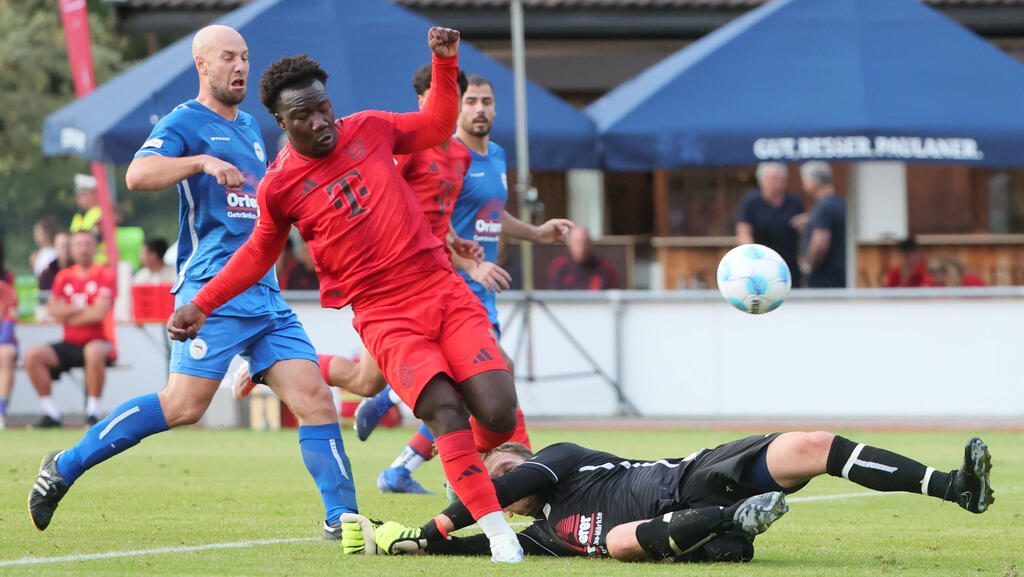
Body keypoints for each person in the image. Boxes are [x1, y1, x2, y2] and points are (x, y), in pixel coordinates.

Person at [166, 28, 526, 563]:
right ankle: (499, 535)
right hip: (383, 315)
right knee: (442, 411)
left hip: (441, 288)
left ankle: (470, 486)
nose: (319, 123)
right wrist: (202, 302)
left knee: (497, 412)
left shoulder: (370, 129)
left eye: (324, 109)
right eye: (303, 117)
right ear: (282, 124)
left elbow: (433, 124)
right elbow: (257, 256)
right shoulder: (280, 184)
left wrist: (445, 63)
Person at [28, 25, 362, 545]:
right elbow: (138, 175)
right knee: (183, 405)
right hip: (212, 291)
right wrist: (203, 161)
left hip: (265, 295)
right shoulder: (186, 121)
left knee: (315, 398)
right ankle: (64, 465)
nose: (241, 67)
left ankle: (343, 522)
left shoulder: (252, 125)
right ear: (201, 64)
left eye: (246, 57)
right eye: (228, 57)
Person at [352, 71, 574, 493]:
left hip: (483, 284)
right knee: (494, 375)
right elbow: (427, 223)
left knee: (467, 390)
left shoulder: (495, 157)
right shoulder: (443, 155)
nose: (479, 109)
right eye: (470, 101)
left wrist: (538, 233)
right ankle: (498, 469)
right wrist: (468, 266)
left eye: (486, 102)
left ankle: (401, 455)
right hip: (450, 283)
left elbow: (493, 216)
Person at [350, 432, 994, 562]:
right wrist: (404, 542)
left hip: (685, 478)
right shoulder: (535, 538)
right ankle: (731, 529)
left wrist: (427, 528)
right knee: (620, 545)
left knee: (813, 444)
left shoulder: (557, 463)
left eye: (505, 463)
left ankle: (952, 487)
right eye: (495, 464)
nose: (505, 468)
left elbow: (495, 492)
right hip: (678, 531)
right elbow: (470, 543)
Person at [23, 230, 116, 428]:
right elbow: (53, 308)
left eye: (87, 244)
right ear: (71, 249)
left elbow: (99, 313)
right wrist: (84, 309)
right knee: (33, 355)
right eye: (78, 244)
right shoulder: (63, 276)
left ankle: (92, 411)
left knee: (94, 351)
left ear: (94, 247)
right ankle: (51, 413)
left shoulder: (104, 274)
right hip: (69, 342)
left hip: (98, 340)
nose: (83, 249)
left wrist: (68, 313)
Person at [735, 162, 805, 288]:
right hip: (761, 267)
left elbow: (804, 230)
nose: (776, 183)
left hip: (788, 266)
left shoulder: (794, 202)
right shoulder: (751, 202)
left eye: (780, 179)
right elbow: (744, 232)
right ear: (761, 181)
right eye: (772, 179)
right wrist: (753, 257)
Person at [800, 161, 846, 288]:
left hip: (825, 279)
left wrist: (808, 266)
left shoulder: (823, 207)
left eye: (805, 180)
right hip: (842, 276)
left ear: (814, 182)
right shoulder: (840, 202)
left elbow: (820, 242)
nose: (804, 184)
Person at [547, 225, 619, 290]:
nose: (581, 247)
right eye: (577, 242)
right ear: (569, 243)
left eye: (584, 242)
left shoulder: (605, 268)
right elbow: (556, 298)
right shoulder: (559, 268)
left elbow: (612, 297)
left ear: (590, 243)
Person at [0, 237, 18, 430]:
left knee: (5, 353)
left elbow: (10, 321)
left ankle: (0, 412)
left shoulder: (6, 287)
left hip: (3, 343)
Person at [70, 173, 104, 246]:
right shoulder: (80, 216)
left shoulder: (102, 213)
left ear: (94, 194)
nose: (78, 199)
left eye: (82, 195)